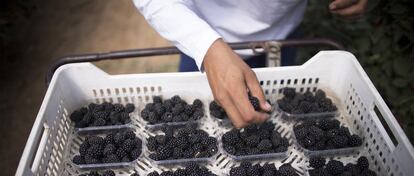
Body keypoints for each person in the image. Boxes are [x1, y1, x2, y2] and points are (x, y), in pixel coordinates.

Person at [134, 0, 368, 128]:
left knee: (275, 113)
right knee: (187, 122)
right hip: (202, 36)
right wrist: (206, 46)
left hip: (283, 34)